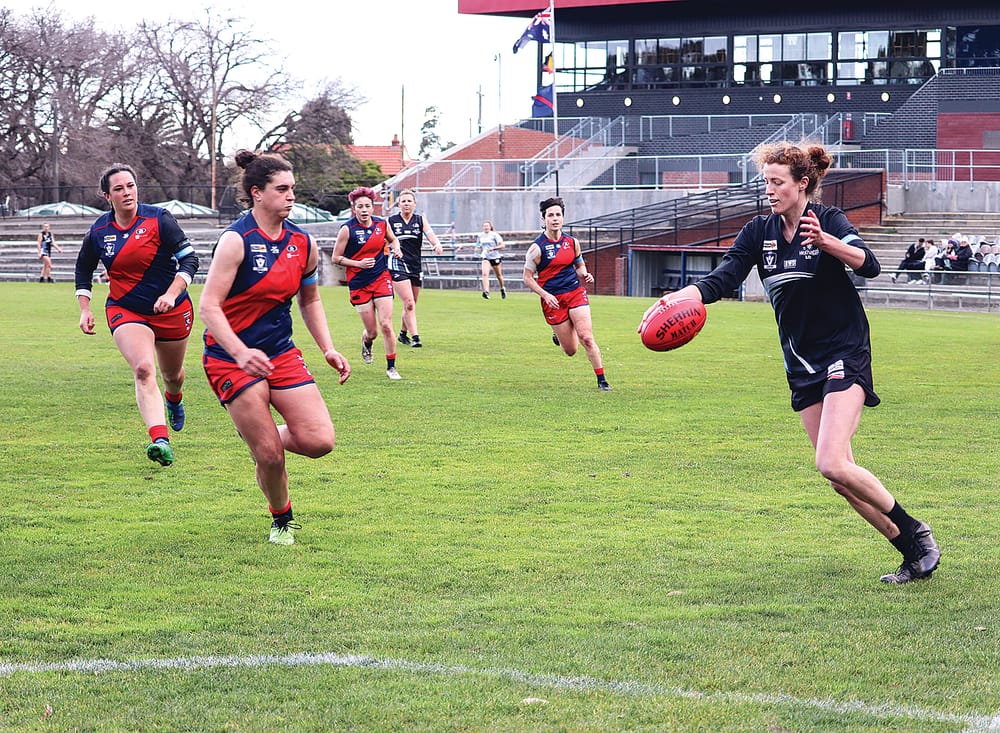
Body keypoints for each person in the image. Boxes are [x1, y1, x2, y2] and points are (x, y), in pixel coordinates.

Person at [639, 142, 939, 584]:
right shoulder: (758, 232)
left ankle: (917, 533)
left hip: (845, 351)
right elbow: (725, 277)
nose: (770, 191)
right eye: (766, 183)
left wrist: (827, 242)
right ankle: (911, 553)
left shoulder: (829, 221)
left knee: (831, 462)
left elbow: (869, 264)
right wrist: (680, 296)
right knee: (840, 479)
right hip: (801, 363)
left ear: (802, 184)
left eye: (777, 183)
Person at [199, 149, 351, 546]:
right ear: (257, 193)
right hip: (230, 358)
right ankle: (282, 519)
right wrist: (239, 353)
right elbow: (209, 307)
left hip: (280, 353)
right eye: (282, 189)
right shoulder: (236, 241)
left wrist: (328, 349)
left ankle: (261, 434)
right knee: (269, 457)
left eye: (293, 189)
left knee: (320, 442)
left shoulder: (303, 243)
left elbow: (310, 301)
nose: (290, 196)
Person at [75, 164, 199, 467]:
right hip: (125, 308)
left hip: (172, 308)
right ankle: (160, 439)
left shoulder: (159, 219)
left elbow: (190, 260)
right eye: (118, 188)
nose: (126, 192)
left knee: (173, 375)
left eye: (130, 186)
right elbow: (83, 269)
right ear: (108, 196)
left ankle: (175, 398)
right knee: (144, 369)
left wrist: (170, 294)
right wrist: (85, 309)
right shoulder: (99, 231)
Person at [524, 196, 612, 391]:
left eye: (558, 215)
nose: (554, 218)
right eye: (550, 215)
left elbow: (579, 265)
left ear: (563, 218)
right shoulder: (536, 248)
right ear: (543, 219)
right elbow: (528, 278)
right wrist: (545, 295)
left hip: (575, 293)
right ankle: (559, 336)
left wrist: (585, 274)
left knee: (587, 338)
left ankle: (602, 381)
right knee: (571, 350)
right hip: (553, 301)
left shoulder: (572, 242)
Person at [332, 186, 405, 380]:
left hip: (381, 278)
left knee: (387, 325)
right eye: (360, 207)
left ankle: (391, 367)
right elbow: (335, 258)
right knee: (372, 331)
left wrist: (396, 248)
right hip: (358, 283)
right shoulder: (347, 229)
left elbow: (393, 240)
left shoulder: (382, 224)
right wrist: (358, 263)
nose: (364, 210)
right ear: (353, 208)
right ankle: (367, 341)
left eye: (367, 206)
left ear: (373, 207)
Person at [387, 189, 442, 348]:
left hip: (415, 264)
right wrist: (392, 248)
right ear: (399, 204)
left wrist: (436, 244)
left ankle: (403, 334)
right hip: (397, 263)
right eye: (403, 201)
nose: (406, 204)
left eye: (409, 201)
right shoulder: (391, 221)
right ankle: (416, 337)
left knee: (412, 303)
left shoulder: (420, 220)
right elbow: (385, 239)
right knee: (409, 302)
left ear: (414, 203)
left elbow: (430, 234)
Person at [476, 220, 506, 299]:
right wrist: (478, 250)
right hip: (486, 257)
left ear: (490, 227)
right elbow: (478, 246)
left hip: (495, 257)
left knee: (499, 275)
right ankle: (486, 292)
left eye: (487, 226)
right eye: (484, 226)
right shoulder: (480, 236)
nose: (486, 227)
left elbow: (502, 245)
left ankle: (502, 288)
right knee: (485, 274)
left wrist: (493, 248)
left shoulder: (494, 235)